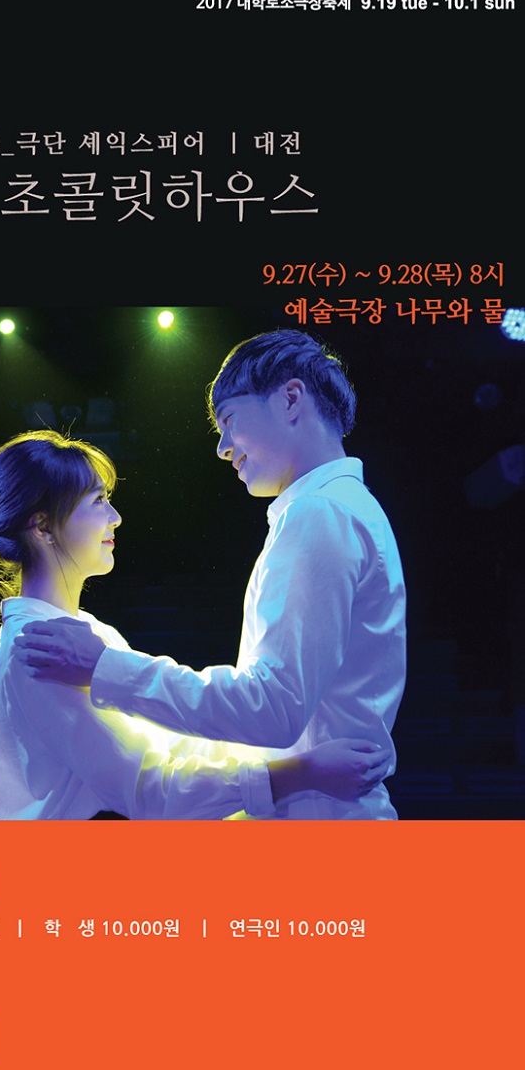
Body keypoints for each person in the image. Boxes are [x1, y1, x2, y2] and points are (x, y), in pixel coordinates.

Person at [21, 337, 406, 819]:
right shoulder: (345, 508)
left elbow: (273, 709)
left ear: (290, 399)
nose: (223, 449)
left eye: (229, 421)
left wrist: (106, 669)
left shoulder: (319, 513)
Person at [0, 424, 387, 821]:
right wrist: (300, 773)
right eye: (98, 501)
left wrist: (288, 755)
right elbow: (151, 792)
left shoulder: (85, 634)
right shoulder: (36, 647)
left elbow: (173, 747)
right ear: (42, 527)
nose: (115, 518)